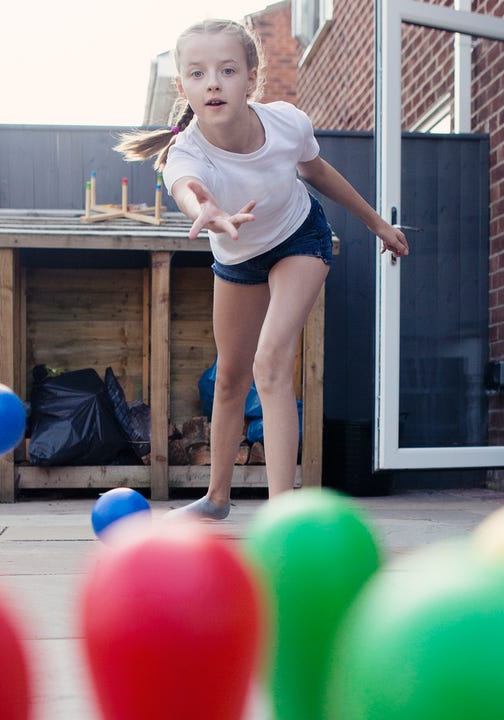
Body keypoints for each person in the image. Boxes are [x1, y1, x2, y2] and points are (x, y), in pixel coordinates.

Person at [115, 18, 409, 520]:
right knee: (229, 378)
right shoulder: (184, 151)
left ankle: (282, 517)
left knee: (270, 364)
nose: (213, 82)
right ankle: (216, 499)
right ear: (183, 85)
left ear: (251, 77)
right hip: (237, 258)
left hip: (300, 238)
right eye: (198, 73)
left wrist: (376, 223)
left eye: (227, 70)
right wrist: (203, 209)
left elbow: (317, 171)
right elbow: (189, 186)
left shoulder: (286, 122)